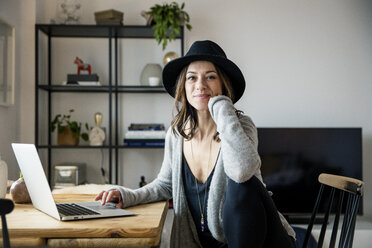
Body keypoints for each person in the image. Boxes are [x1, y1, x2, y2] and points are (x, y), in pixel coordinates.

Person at [95, 40, 296, 247]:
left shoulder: (242, 126)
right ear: (183, 85)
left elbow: (242, 171)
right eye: (192, 78)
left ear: (223, 83)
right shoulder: (176, 133)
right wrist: (127, 196)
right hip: (204, 243)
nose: (200, 85)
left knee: (242, 184)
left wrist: (222, 106)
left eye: (210, 77)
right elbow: (165, 185)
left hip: (265, 240)